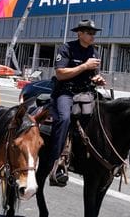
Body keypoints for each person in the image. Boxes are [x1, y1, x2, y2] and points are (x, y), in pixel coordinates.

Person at [47, 19, 106, 186]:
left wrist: (98, 79)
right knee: (64, 118)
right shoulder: (66, 48)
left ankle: (97, 155)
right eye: (89, 32)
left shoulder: (95, 52)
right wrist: (84, 66)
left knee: (105, 114)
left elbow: (93, 75)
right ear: (79, 33)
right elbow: (60, 74)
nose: (92, 35)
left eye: (94, 33)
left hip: (86, 92)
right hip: (66, 92)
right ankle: (55, 160)